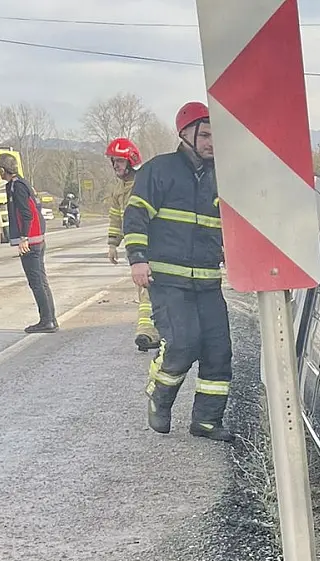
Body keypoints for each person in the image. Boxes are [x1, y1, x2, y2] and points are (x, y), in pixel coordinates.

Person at [122, 101, 232, 442]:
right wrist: (137, 259)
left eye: (217, 136)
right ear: (185, 133)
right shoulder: (159, 170)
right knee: (183, 344)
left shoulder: (222, 176)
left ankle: (207, 421)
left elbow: (230, 224)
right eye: (206, 135)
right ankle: (160, 394)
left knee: (218, 351)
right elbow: (135, 216)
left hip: (208, 281)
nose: (212, 142)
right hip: (168, 280)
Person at [105, 137, 161, 352]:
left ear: (132, 161)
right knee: (145, 289)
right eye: (113, 161)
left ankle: (148, 332)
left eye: (119, 161)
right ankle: (155, 330)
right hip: (136, 248)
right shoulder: (118, 189)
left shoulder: (144, 183)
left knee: (147, 288)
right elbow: (116, 217)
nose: (115, 165)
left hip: (150, 244)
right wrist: (112, 244)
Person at [0, 153, 57, 333]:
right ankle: (50, 319)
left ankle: (46, 321)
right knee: (41, 280)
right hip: (36, 238)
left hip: (30, 240)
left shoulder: (17, 187)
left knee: (36, 282)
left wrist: (24, 237)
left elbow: (26, 213)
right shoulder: (22, 183)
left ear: (3, 170)